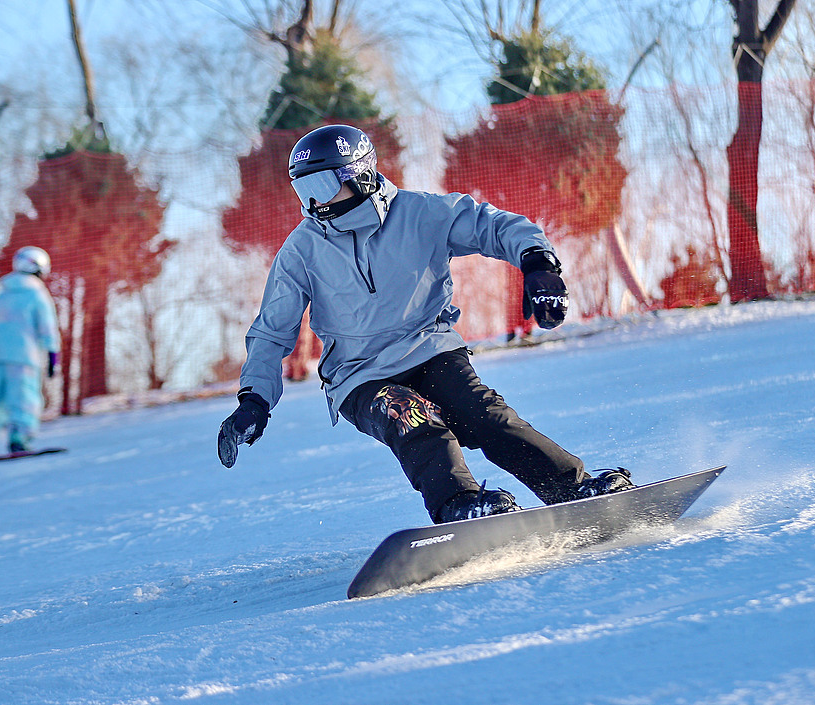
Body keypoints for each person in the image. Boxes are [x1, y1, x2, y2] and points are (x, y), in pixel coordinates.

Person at [217, 124, 634, 523]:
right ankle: (460, 505)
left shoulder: (421, 213)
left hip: (430, 348)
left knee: (485, 415)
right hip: (359, 375)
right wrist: (255, 399)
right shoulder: (302, 249)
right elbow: (272, 330)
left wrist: (538, 264)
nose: (315, 203)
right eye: (304, 190)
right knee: (412, 418)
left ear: (358, 175)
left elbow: (494, 225)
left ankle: (570, 488)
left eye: (322, 186)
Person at [0, 246, 60, 457]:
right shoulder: (36, 294)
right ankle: (20, 436)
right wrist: (53, 355)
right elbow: (47, 326)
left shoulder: (4, 294)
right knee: (23, 398)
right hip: (24, 357)